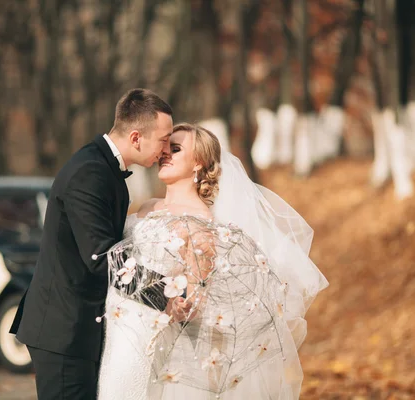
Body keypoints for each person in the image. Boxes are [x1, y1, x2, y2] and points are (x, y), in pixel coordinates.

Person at [97, 123, 329, 399]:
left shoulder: (202, 224)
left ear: (198, 163)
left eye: (176, 149)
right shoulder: (148, 206)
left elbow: (196, 301)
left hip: (156, 342)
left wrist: (176, 303)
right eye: (165, 147)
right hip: (120, 330)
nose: (164, 154)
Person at [9, 88, 174, 400]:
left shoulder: (107, 172)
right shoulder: (90, 173)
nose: (165, 150)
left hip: (80, 328)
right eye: (164, 140)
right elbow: (101, 258)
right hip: (64, 331)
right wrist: (166, 292)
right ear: (137, 138)